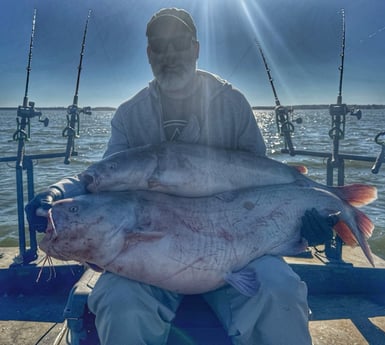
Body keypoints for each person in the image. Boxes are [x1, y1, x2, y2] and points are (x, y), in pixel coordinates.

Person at [26, 8, 333, 345]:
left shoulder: (232, 104)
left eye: (179, 44)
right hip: (148, 265)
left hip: (239, 252)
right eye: (159, 47)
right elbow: (96, 181)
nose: (169, 55)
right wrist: (55, 194)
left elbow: (266, 190)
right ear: (148, 55)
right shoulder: (129, 116)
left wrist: (304, 221)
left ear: (196, 48)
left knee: (282, 294)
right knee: (119, 303)